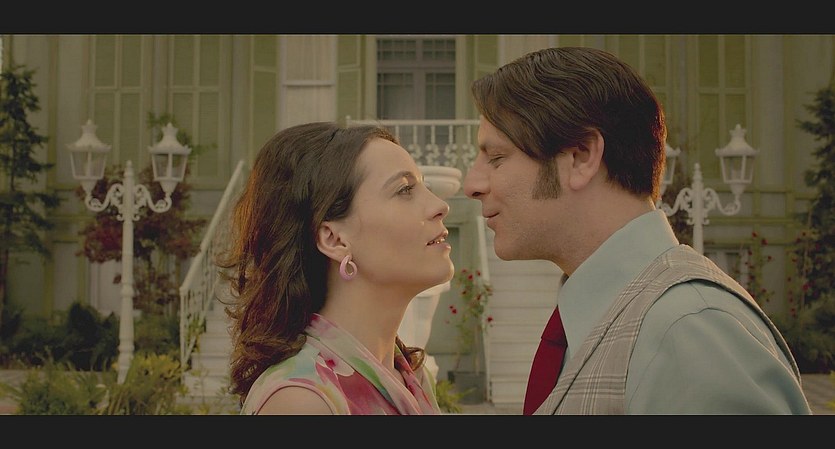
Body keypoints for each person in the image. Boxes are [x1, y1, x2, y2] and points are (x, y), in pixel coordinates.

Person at [463, 46, 812, 415]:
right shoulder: (637, 321)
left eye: (496, 158)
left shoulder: (688, 330)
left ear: (581, 157)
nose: (471, 185)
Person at [218, 121, 453, 415]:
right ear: (335, 239)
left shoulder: (411, 377)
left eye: (423, 186)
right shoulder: (303, 400)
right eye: (404, 189)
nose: (440, 205)